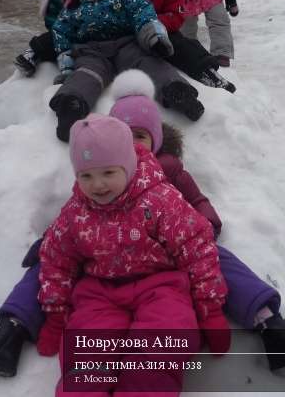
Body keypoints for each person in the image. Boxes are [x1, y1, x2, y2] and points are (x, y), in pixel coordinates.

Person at [0, 70, 285, 377]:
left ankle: (271, 326)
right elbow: (77, 212)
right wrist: (50, 238)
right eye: (125, 137)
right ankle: (10, 334)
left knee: (214, 256)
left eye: (141, 136)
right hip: (103, 256)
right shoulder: (99, 173)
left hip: (169, 246)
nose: (133, 144)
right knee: (49, 260)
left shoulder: (170, 169)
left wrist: (203, 223)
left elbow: (196, 202)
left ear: (157, 138)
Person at [37, 113, 229, 396]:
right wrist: (55, 314)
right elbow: (56, 260)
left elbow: (197, 248)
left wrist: (209, 310)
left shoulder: (160, 199)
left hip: (161, 288)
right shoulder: (76, 212)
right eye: (86, 176)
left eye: (108, 173)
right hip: (99, 294)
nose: (98, 185)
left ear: (127, 165)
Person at [48, 0, 204, 142]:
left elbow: (143, 12)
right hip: (92, 51)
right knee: (86, 74)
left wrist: (154, 37)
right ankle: (72, 105)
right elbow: (61, 29)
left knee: (148, 63)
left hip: (126, 43)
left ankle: (176, 91)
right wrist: (66, 61)